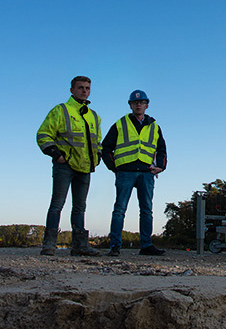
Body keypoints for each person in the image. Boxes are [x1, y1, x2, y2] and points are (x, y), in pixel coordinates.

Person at [36, 76, 102, 256]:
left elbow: (98, 142)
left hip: (85, 168)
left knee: (80, 207)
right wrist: (57, 155)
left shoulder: (94, 116)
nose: (84, 91)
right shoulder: (61, 110)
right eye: (80, 87)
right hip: (64, 166)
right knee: (57, 204)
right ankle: (49, 244)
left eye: (87, 88)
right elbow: (43, 134)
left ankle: (79, 246)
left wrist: (98, 157)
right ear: (72, 90)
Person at [102, 89, 167, 256]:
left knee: (146, 210)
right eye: (135, 102)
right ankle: (115, 246)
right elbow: (106, 148)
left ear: (146, 105)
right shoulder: (120, 124)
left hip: (146, 172)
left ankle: (146, 246)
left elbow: (162, 150)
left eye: (142, 102)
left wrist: (161, 166)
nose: (138, 104)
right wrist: (114, 167)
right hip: (125, 172)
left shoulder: (154, 126)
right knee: (119, 209)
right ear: (130, 105)